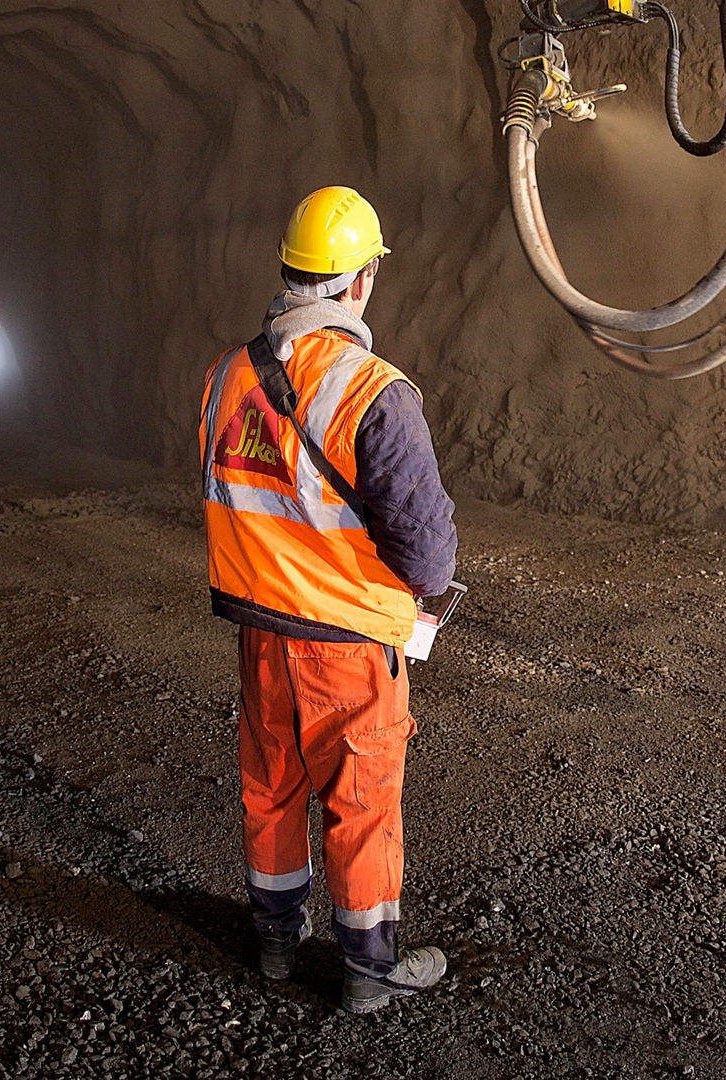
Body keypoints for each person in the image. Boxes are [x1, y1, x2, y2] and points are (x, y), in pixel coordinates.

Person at [198, 186, 457, 1013]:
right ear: (361, 281)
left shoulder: (226, 376)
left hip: (260, 631)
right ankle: (369, 971)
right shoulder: (373, 389)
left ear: (287, 270)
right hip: (345, 643)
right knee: (361, 801)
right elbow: (425, 551)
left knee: (269, 785)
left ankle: (276, 945)